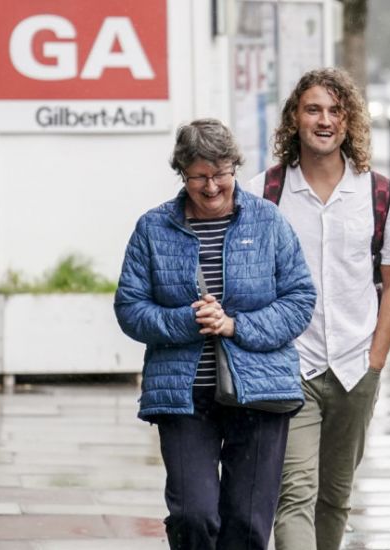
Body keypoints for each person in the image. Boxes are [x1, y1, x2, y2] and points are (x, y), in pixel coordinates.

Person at [115, 118, 317, 550]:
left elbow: (300, 299)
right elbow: (130, 309)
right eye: (199, 177)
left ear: (235, 169)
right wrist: (187, 321)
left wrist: (234, 325)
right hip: (184, 396)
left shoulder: (267, 221)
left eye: (220, 174)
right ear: (182, 173)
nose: (211, 187)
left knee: (246, 523)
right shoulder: (152, 228)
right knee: (194, 514)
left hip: (261, 390)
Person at [244, 67, 390, 550]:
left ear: (349, 121)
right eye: (313, 108)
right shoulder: (264, 193)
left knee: (336, 497)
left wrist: (375, 361)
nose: (324, 120)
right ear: (294, 118)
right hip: (288, 367)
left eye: (335, 110)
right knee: (294, 493)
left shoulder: (378, 193)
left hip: (355, 368)